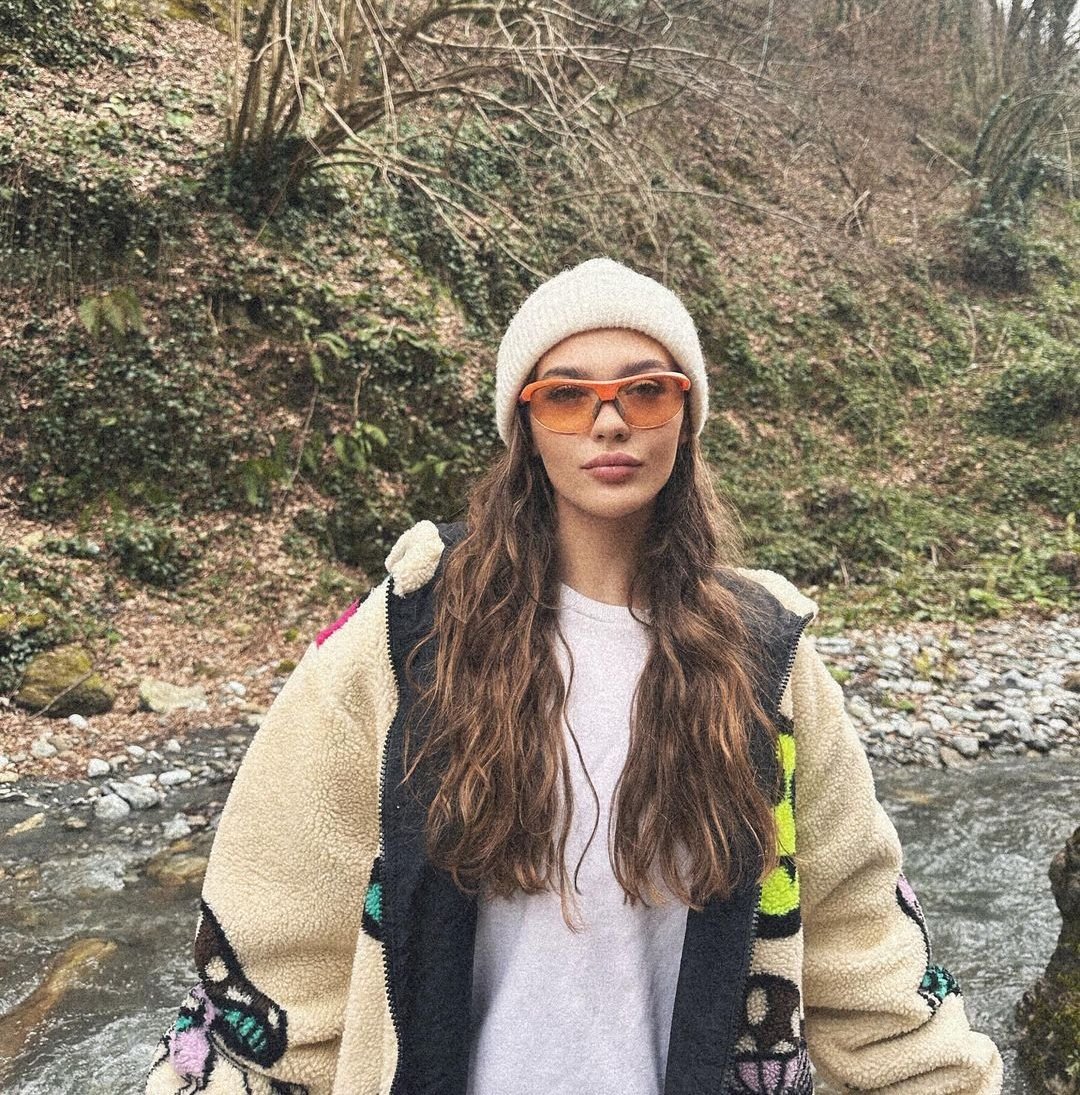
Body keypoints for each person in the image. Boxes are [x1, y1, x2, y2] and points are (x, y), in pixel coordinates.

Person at [145, 257, 1003, 1095]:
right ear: (525, 426)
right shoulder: (408, 634)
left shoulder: (765, 658)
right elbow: (278, 927)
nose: (610, 421)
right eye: (566, 394)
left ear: (685, 416)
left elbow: (862, 942)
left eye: (646, 390)